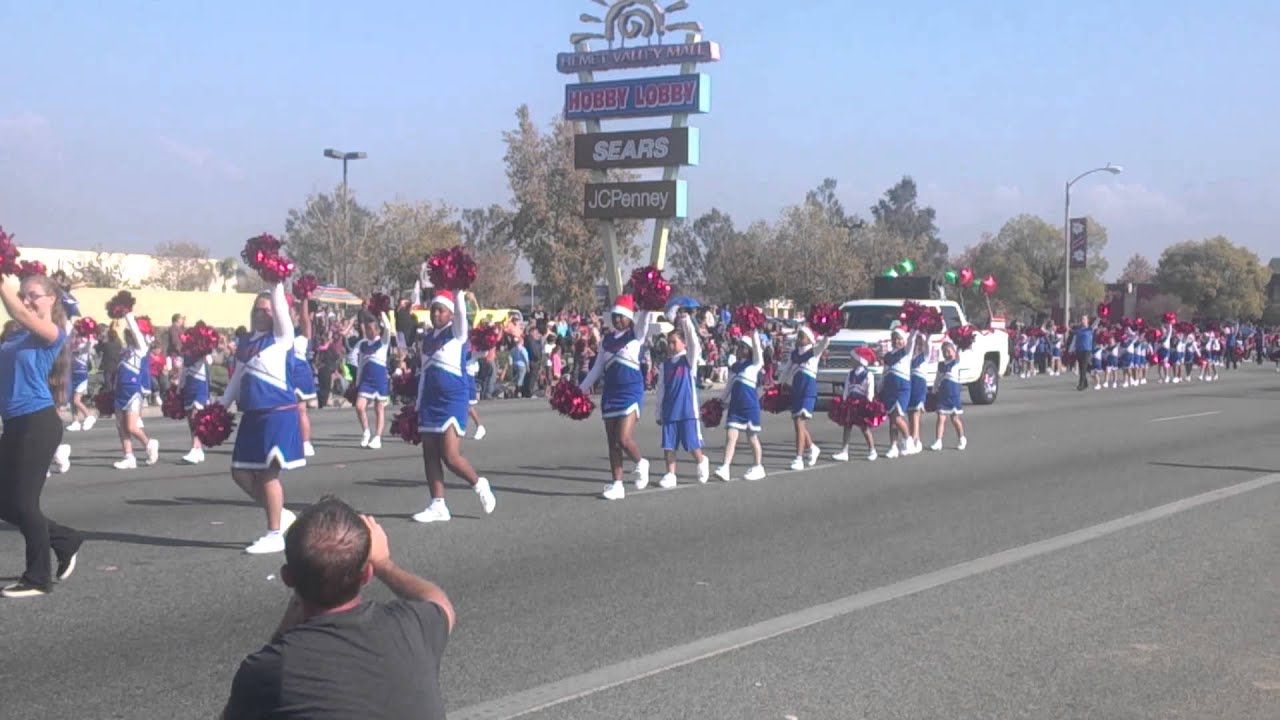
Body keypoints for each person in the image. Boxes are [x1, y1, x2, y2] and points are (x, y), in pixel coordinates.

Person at [222, 497, 454, 719]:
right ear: (366, 574)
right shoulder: (412, 626)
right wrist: (384, 563)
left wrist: (295, 603)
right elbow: (440, 603)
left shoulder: (270, 670)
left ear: (287, 577)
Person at [0, 273, 83, 598]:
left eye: (33, 294)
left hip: (38, 422)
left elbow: (18, 312)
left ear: (51, 299)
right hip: (15, 424)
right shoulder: (15, 337)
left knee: (24, 502)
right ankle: (65, 539)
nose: (28, 300)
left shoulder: (52, 334)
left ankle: (37, 578)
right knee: (5, 503)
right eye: (24, 294)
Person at [220, 281, 305, 554]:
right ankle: (281, 514)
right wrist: (220, 407)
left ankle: (275, 532)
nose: (262, 314)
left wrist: (275, 282)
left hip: (277, 413)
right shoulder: (247, 342)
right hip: (252, 415)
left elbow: (280, 310)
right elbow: (237, 378)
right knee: (239, 472)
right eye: (258, 309)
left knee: (269, 474)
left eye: (267, 311)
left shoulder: (282, 338)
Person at [411, 289, 495, 523]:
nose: (436, 314)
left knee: (450, 455)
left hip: (453, 400)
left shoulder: (457, 334)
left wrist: (457, 291)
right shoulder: (427, 339)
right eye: (434, 310)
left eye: (441, 310)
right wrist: (417, 404)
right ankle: (438, 505)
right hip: (429, 400)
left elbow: (460, 313)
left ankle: (479, 484)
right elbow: (425, 373)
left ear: (450, 314)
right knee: (429, 454)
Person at [580, 295, 653, 501]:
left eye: (622, 316)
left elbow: (645, 321)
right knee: (612, 442)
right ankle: (617, 485)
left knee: (623, 438)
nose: (618, 319)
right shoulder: (607, 341)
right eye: (615, 316)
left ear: (630, 318)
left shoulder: (635, 336)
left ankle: (641, 463)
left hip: (630, 391)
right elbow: (596, 370)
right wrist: (579, 390)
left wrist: (647, 305)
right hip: (610, 392)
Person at [653, 309, 709, 487]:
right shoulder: (665, 365)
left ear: (683, 344)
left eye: (674, 342)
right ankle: (670, 474)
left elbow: (694, 343)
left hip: (687, 411)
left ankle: (701, 461)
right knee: (668, 446)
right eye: (668, 342)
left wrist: (685, 321)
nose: (670, 346)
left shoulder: (689, 361)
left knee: (692, 444)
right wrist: (658, 412)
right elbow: (661, 389)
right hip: (670, 411)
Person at [775, 324, 831, 470]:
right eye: (798, 336)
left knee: (800, 422)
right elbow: (786, 370)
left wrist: (827, 331)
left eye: (802, 336)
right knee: (798, 424)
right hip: (796, 391)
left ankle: (798, 458)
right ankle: (812, 447)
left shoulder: (814, 351)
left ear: (810, 339)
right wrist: (778, 384)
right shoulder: (794, 354)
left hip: (808, 391)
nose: (799, 339)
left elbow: (825, 343)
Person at [713, 329, 766, 482]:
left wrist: (754, 331)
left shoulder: (755, 364)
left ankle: (758, 466)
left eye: (743, 347)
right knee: (731, 436)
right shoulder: (734, 367)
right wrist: (720, 402)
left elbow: (758, 350)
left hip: (750, 407)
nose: (740, 349)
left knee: (752, 438)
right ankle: (725, 467)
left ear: (749, 350)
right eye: (739, 346)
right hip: (735, 407)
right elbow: (728, 387)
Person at [112, 312, 160, 469]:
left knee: (131, 426)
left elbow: (134, 328)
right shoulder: (126, 350)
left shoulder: (142, 347)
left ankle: (149, 443)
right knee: (121, 426)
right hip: (120, 390)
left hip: (133, 391)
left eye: (131, 333)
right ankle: (129, 456)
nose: (128, 334)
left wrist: (126, 312)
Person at [353, 309, 391, 449]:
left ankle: (378, 437)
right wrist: (357, 383)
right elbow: (361, 364)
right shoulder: (363, 345)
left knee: (379, 408)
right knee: (359, 406)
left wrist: (382, 313)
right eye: (367, 329)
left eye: (371, 329)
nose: (368, 332)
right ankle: (366, 432)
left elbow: (388, 327)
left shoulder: (383, 342)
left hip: (380, 380)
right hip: (366, 381)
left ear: (377, 330)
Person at [833, 347, 879, 462]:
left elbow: (870, 390)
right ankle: (844, 451)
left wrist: (868, 402)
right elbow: (847, 388)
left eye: (852, 359)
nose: (850, 361)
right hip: (850, 403)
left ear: (859, 360)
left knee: (864, 428)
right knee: (847, 427)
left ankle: (872, 450)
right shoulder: (850, 374)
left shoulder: (868, 375)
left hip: (861, 404)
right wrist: (844, 400)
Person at [290, 299, 317, 458]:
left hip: (299, 372)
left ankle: (306, 443)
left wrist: (305, 299)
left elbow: (306, 319)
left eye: (293, 312)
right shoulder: (280, 332)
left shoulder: (302, 332)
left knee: (301, 409)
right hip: (283, 372)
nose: (291, 314)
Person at [929, 339, 968, 451]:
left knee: (955, 419)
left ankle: (961, 438)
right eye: (944, 351)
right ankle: (938, 441)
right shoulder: (941, 365)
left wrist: (961, 341)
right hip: (943, 394)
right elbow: (937, 378)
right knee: (941, 418)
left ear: (954, 351)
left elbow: (959, 351)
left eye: (949, 350)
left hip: (953, 394)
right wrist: (934, 389)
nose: (947, 353)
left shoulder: (956, 361)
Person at [181, 346, 212, 464]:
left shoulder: (203, 352)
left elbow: (209, 361)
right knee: (190, 419)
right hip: (189, 385)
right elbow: (184, 369)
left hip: (200, 385)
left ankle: (195, 448)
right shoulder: (187, 352)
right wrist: (180, 386)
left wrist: (203, 351)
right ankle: (198, 450)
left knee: (195, 417)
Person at [66, 326, 96, 432]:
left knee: (76, 400)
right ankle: (75, 422)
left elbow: (89, 345)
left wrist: (89, 336)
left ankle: (89, 416)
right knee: (71, 401)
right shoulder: (71, 346)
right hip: (72, 375)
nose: (75, 338)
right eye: (73, 336)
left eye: (77, 336)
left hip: (82, 376)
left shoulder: (83, 346)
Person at [1067, 314, 1094, 391]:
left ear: (1087, 320)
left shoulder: (1090, 329)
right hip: (1079, 350)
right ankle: (1085, 383)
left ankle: (1081, 385)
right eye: (1082, 319)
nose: (1082, 321)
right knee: (1081, 367)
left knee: (1083, 368)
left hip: (1086, 350)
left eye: (1084, 319)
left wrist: (1101, 315)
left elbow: (1096, 323)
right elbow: (1073, 336)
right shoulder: (1079, 330)